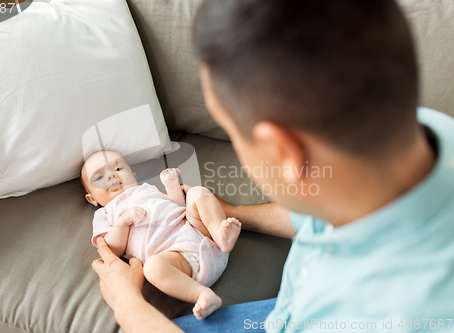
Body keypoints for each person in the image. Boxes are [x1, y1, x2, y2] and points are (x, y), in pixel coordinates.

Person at [91, 0, 454, 332]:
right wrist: (234, 213)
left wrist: (130, 309)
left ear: (284, 151)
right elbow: (316, 214)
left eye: (233, 133)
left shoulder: (388, 314)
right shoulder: (421, 132)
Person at [82, 150, 241, 319]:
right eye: (99, 178)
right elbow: (112, 250)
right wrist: (122, 221)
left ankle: (219, 234)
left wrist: (172, 187)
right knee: (152, 267)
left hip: (199, 234)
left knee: (197, 193)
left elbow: (177, 206)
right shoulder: (104, 214)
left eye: (118, 169)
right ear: (92, 199)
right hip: (177, 260)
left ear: (134, 176)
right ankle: (201, 294)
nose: (112, 176)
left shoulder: (146, 189)